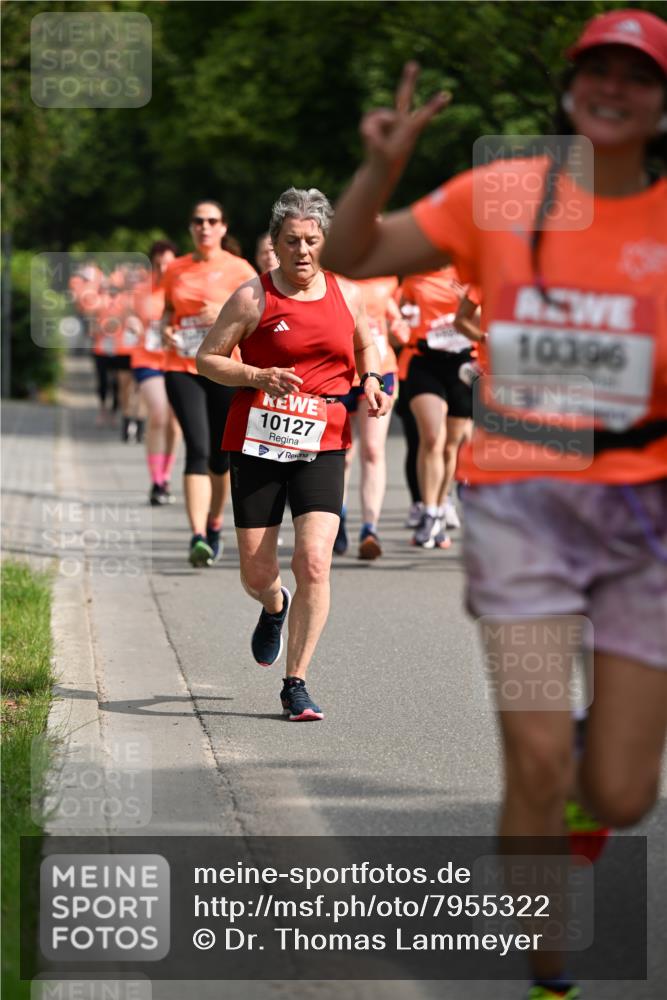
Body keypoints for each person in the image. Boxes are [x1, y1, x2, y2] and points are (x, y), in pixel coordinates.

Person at [322, 10, 667, 999]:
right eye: (596, 69)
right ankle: (546, 975)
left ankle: (589, 784)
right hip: (523, 511)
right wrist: (380, 168)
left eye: (636, 75)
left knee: (621, 791)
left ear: (660, 104)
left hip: (642, 516)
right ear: (568, 87)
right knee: (535, 756)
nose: (612, 87)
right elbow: (354, 252)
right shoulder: (505, 194)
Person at [197, 187, 390, 721]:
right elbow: (207, 359)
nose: (302, 251)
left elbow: (366, 344)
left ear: (324, 241)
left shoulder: (347, 294)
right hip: (258, 440)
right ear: (275, 243)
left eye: (311, 240)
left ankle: (296, 683)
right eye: (291, 241)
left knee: (314, 561)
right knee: (257, 573)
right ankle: (274, 604)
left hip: (321, 440)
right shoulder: (251, 298)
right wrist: (257, 375)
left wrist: (372, 379)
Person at [161, 201, 256, 566]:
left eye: (211, 221)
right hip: (182, 365)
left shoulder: (239, 269)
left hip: (223, 368)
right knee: (197, 448)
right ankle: (198, 535)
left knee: (220, 455)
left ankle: (215, 522)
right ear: (191, 227)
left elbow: (258, 315)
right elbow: (168, 311)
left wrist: (223, 313)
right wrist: (165, 329)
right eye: (198, 221)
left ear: (223, 227)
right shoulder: (176, 268)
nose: (204, 226)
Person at [399, 267, 477, 548]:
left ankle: (442, 506)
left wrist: (467, 305)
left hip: (462, 362)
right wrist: (400, 323)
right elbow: (401, 314)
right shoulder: (414, 277)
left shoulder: (470, 274)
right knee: (432, 437)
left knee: (451, 446)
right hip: (425, 361)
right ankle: (429, 511)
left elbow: (486, 323)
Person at [334, 274, 408, 559]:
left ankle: (370, 529)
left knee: (373, 450)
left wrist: (400, 328)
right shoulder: (330, 276)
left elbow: (396, 320)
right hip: (340, 373)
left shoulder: (386, 278)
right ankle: (337, 520)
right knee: (342, 454)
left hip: (379, 371)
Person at [130, 240, 182, 505]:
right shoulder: (142, 289)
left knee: (174, 421)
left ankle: (165, 477)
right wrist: (132, 324)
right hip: (146, 359)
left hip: (176, 359)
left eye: (168, 264)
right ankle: (156, 479)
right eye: (158, 264)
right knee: (159, 413)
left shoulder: (182, 287)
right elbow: (129, 315)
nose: (163, 269)